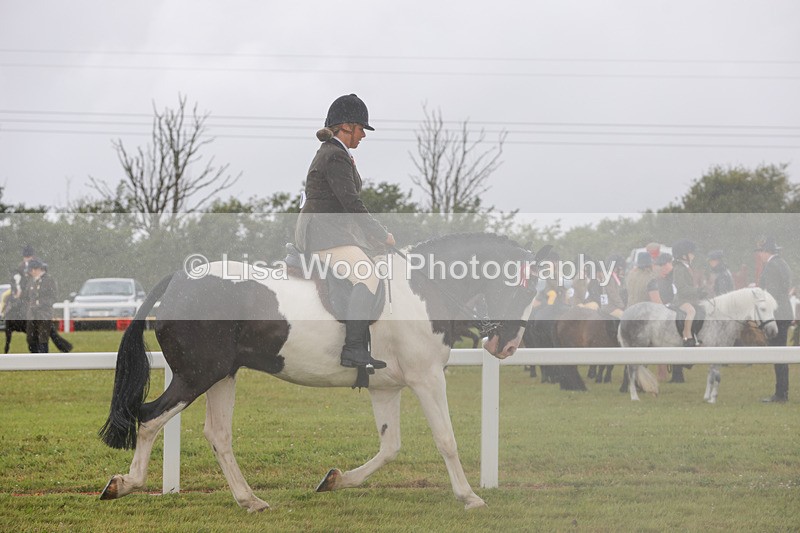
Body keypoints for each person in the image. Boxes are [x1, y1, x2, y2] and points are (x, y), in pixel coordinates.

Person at [295, 94, 394, 371]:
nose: (363, 134)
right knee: (367, 274)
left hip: (331, 231)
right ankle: (353, 349)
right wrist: (380, 233)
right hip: (325, 234)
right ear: (346, 127)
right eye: (361, 128)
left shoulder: (337, 153)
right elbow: (351, 203)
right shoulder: (335, 155)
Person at [755, 237, 793, 403]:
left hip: (776, 315)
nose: (760, 255)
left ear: (766, 252)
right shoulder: (782, 263)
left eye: (761, 252)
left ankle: (781, 393)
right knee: (781, 352)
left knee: (778, 354)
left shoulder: (771, 266)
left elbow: (771, 292)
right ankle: (782, 391)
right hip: (785, 312)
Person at [671, 239, 701, 347]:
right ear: (683, 255)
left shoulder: (688, 267)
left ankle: (696, 333)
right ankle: (687, 335)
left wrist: (700, 292)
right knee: (691, 311)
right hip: (681, 299)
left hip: (689, 298)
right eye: (691, 253)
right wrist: (696, 291)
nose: (693, 255)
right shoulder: (679, 269)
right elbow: (682, 288)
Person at [25, 259, 57, 353]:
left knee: (42, 338)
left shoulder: (49, 280)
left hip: (44, 314)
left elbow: (53, 297)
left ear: (36, 269)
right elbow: (27, 296)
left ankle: (43, 358)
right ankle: (35, 357)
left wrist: (41, 305)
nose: (31, 273)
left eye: (31, 270)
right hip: (32, 314)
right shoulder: (31, 281)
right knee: (30, 339)